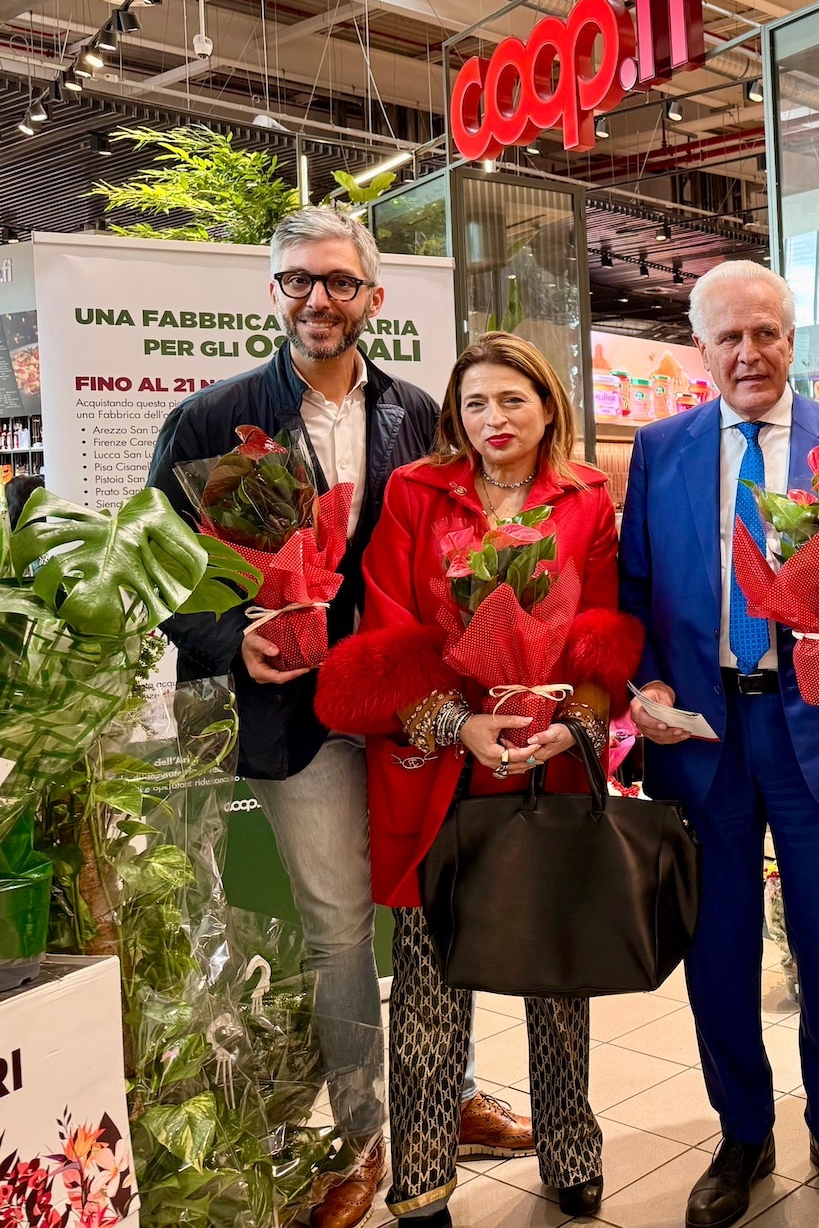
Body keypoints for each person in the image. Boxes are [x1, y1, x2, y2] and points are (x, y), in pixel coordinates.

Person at [146, 208, 532, 1228]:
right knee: (337, 930)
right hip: (297, 712)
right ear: (273, 292)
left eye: (337, 281)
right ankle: (362, 1139)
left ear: (373, 296)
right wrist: (232, 642)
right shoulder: (212, 419)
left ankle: (449, 1093)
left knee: (436, 909)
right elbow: (161, 566)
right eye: (297, 281)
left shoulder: (420, 414)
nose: (317, 299)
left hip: (413, 709)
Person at [315, 332, 642, 1227]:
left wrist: (573, 723)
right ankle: (422, 1180)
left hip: (548, 766)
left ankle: (571, 1151)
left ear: (547, 407)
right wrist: (459, 725)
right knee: (429, 979)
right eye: (474, 404)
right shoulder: (416, 492)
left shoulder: (585, 497)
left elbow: (602, 626)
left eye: (511, 400)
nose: (493, 419)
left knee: (558, 973)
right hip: (440, 771)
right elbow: (385, 625)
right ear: (455, 417)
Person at [620, 261, 819, 1228]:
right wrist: (645, 681)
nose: (749, 353)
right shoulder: (661, 448)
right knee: (720, 948)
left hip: (814, 721)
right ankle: (742, 1133)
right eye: (729, 337)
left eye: (766, 333)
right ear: (700, 348)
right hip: (703, 738)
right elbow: (635, 588)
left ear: (792, 339)